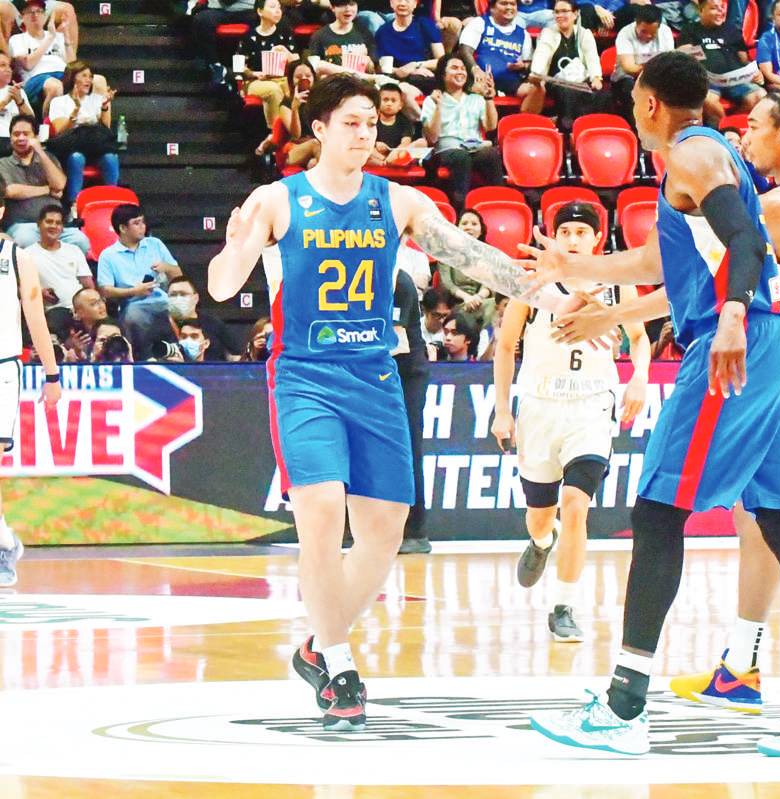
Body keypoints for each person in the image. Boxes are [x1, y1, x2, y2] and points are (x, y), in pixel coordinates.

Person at [523, 51, 780, 757]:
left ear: (650, 104)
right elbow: (668, 260)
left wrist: (731, 318)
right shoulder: (706, 161)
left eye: (633, 103)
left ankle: (623, 708)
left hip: (736, 349)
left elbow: (746, 244)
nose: (631, 113)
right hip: (776, 348)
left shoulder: (690, 154)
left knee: (657, 511)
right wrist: (578, 270)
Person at [207, 73, 564, 732]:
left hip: (376, 377)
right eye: (351, 121)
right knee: (320, 509)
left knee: (385, 531)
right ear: (318, 129)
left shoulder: (396, 201)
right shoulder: (277, 199)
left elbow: (471, 256)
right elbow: (224, 288)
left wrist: (551, 296)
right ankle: (339, 660)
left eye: (372, 121)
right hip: (307, 376)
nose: (365, 132)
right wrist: (234, 245)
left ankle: (318, 640)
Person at [491, 202, 650, 643]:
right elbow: (506, 347)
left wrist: (638, 379)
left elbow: (639, 339)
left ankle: (564, 605)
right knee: (540, 518)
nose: (575, 239)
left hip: (591, 406)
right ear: (553, 236)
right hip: (540, 407)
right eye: (567, 232)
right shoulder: (532, 284)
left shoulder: (617, 285)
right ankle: (542, 542)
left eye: (583, 232)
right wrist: (502, 409)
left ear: (597, 239)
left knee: (577, 503)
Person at [0, 193, 62, 587]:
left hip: (3, 368)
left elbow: (35, 316)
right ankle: (5, 541)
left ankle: (3, 547)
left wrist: (52, 374)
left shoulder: (16, 257)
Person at [97, 203, 182, 360]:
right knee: (135, 316)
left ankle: (180, 355)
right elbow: (105, 290)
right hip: (132, 303)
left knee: (183, 309)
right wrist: (134, 291)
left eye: (142, 222)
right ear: (122, 228)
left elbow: (178, 274)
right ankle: (145, 357)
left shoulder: (155, 244)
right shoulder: (108, 255)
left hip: (162, 299)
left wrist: (166, 267)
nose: (142, 227)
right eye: (137, 223)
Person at [420, 51, 502, 210]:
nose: (460, 72)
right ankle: (460, 209)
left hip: (474, 147)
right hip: (446, 150)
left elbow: (490, 126)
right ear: (443, 75)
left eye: (463, 68)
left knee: (491, 154)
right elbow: (433, 137)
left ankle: (498, 204)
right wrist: (438, 106)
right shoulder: (432, 100)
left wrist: (489, 99)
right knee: (460, 157)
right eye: (454, 68)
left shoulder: (475, 98)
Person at [0, 114, 87, 251]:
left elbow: (59, 185)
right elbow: (10, 190)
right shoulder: (3, 163)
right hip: (23, 225)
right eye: (16, 134)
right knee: (26, 240)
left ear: (35, 137)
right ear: (10, 138)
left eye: (26, 134)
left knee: (81, 241)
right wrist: (47, 190)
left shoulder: (48, 159)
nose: (21, 138)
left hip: (56, 224)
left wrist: (40, 151)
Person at [391, 264, 432, 554]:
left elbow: (394, 341)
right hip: (375, 369)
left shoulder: (399, 281)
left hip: (406, 372)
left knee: (407, 445)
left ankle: (415, 531)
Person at [679, 0, 765, 127]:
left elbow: (744, 59)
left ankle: (733, 123)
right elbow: (684, 54)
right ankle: (726, 128)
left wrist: (755, 72)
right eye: (714, 8)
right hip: (708, 80)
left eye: (722, 8)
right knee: (708, 100)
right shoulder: (690, 29)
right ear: (701, 11)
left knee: (761, 96)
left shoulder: (732, 30)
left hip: (735, 80)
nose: (720, 12)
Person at [45, 59, 118, 203]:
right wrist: (75, 111)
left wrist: (105, 107)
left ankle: (112, 202)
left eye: (90, 77)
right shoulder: (59, 102)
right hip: (72, 147)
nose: (88, 80)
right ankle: (74, 204)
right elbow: (59, 130)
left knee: (110, 158)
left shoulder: (97, 99)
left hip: (94, 146)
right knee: (76, 158)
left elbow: (105, 127)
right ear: (73, 77)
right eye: (84, 76)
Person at [523, 0, 605, 127]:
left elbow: (592, 58)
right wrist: (536, 73)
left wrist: (596, 78)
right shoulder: (548, 33)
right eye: (556, 12)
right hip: (555, 82)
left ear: (575, 13)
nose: (559, 15)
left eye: (564, 11)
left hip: (580, 82)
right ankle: (569, 129)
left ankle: (594, 130)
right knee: (567, 92)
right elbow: (541, 54)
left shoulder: (584, 34)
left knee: (604, 95)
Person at [27, 202, 91, 338]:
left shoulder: (74, 250)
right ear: (39, 224)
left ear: (62, 228)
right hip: (54, 311)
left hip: (81, 309)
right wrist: (40, 292)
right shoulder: (27, 255)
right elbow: (21, 288)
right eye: (49, 222)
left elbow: (88, 284)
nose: (54, 226)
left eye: (58, 223)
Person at [237, 0, 301, 130]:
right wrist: (254, 74)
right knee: (273, 90)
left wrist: (286, 52)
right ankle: (276, 135)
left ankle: (296, 132)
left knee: (292, 90)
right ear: (260, 11)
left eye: (279, 7)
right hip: (255, 81)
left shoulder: (285, 33)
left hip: (282, 79)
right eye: (272, 7)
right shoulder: (248, 36)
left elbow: (297, 61)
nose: (278, 11)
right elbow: (238, 66)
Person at [459, 0, 534, 99]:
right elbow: (465, 51)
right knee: (478, 88)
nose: (509, 7)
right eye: (504, 3)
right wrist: (475, 70)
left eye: (512, 4)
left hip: (510, 81)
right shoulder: (479, 23)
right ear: (492, 8)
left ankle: (524, 115)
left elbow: (528, 63)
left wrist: (523, 66)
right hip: (480, 79)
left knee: (536, 90)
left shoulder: (523, 34)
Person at [8, 0, 73, 115]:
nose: (35, 15)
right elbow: (28, 65)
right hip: (35, 79)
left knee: (99, 81)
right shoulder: (17, 39)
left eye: (39, 11)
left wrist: (66, 37)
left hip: (64, 74)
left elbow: (73, 64)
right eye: (30, 12)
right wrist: (50, 38)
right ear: (22, 17)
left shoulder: (58, 36)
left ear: (44, 15)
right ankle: (48, 128)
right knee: (55, 86)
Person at [611, 4, 673, 124]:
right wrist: (655, 66)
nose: (648, 36)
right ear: (636, 23)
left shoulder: (665, 32)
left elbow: (668, 63)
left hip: (656, 77)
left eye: (652, 33)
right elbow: (629, 68)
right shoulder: (625, 34)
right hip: (627, 78)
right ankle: (638, 130)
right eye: (643, 32)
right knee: (632, 90)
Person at [438, 209, 495, 325]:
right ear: (457, 228)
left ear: (481, 231)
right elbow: (447, 283)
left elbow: (488, 283)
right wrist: (466, 298)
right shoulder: (446, 253)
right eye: (464, 223)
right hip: (455, 303)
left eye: (474, 224)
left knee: (496, 304)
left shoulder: (488, 254)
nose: (469, 227)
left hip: (480, 302)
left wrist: (477, 297)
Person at [375, 0, 444, 95]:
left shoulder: (425, 24)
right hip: (396, 79)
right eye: (398, 0)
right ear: (391, 3)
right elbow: (382, 67)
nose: (402, 3)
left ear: (415, 4)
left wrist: (416, 65)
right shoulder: (382, 32)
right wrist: (402, 71)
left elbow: (442, 61)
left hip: (424, 76)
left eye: (408, 0)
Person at [166, 276, 241, 361]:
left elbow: (235, 355)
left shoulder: (214, 324)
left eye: (183, 294)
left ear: (196, 298)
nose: (178, 298)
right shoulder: (160, 324)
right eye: (173, 295)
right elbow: (150, 359)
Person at [306, 0, 379, 79]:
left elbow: (374, 66)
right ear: (332, 7)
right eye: (342, 5)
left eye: (351, 4)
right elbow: (314, 67)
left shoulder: (364, 33)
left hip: (360, 85)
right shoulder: (319, 36)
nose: (348, 9)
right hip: (333, 86)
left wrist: (369, 63)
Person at [369, 82, 423, 165]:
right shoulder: (371, 120)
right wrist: (375, 144)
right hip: (378, 156)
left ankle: (389, 161)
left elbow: (405, 143)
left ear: (400, 105)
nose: (389, 104)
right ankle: (385, 162)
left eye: (393, 101)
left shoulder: (405, 122)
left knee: (421, 143)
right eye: (385, 100)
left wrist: (393, 153)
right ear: (378, 102)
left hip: (397, 155)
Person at [0, 53, 35, 158]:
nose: (8, 69)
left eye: (9, 66)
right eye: (2, 65)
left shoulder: (18, 92)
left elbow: (31, 121)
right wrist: (5, 101)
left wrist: (19, 101)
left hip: (16, 140)